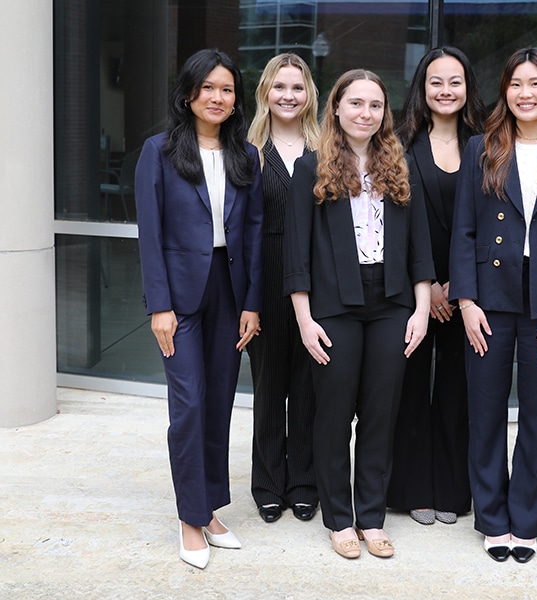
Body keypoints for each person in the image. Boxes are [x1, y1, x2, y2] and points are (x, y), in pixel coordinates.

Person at [449, 47, 537, 564]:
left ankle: (528, 519)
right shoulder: (480, 148)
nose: (525, 93)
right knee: (485, 410)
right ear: (505, 91)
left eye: (535, 83)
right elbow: (463, 231)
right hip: (489, 298)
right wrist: (465, 300)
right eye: (515, 84)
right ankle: (492, 518)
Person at [283, 69, 435, 560]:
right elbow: (297, 254)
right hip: (332, 307)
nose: (365, 113)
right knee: (333, 414)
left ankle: (371, 516)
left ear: (383, 112)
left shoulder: (400, 164)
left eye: (374, 105)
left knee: (380, 413)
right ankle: (338, 518)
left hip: (392, 304)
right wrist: (305, 320)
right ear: (336, 108)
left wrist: (422, 309)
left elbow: (419, 247)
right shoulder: (312, 167)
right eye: (355, 104)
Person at [135, 48, 264, 569]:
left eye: (227, 89)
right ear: (189, 94)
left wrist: (253, 303)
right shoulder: (159, 151)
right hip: (180, 298)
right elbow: (150, 235)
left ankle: (208, 507)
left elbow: (253, 233)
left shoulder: (245, 156)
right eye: (208, 87)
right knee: (187, 407)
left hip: (229, 293)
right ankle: (191, 519)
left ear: (236, 100)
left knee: (217, 404)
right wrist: (158, 306)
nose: (217, 97)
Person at [387, 47, 486, 527]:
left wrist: (459, 285)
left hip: (469, 292)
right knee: (409, 390)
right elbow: (394, 226)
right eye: (435, 82)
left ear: (468, 87)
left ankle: (450, 488)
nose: (445, 91)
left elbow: (492, 224)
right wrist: (427, 286)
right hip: (415, 291)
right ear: (421, 89)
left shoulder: (488, 145)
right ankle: (412, 489)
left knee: (456, 390)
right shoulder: (400, 145)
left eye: (455, 81)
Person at [246, 53, 320, 525]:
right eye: (279, 87)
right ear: (265, 94)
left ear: (310, 94)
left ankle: (305, 482)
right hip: (265, 276)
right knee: (269, 387)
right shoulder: (247, 149)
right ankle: (269, 483)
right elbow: (241, 228)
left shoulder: (327, 147)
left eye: (297, 87)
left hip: (317, 281)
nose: (288, 96)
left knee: (311, 386)